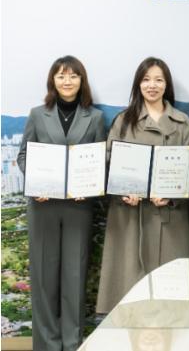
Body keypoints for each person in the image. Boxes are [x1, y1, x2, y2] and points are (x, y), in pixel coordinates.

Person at [17, 56, 106, 351]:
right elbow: (23, 155)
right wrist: (36, 183)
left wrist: (89, 187)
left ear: (82, 81)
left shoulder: (95, 117)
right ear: (52, 81)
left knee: (74, 276)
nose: (67, 81)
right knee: (43, 278)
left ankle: (72, 342)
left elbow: (101, 159)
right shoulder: (37, 114)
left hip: (79, 206)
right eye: (61, 76)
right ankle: (46, 344)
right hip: (43, 205)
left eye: (73, 76)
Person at [96, 57, 189, 313]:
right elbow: (107, 163)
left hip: (169, 216)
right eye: (146, 79)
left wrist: (172, 195)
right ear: (138, 84)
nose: (152, 85)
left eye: (159, 80)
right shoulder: (123, 120)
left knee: (169, 296)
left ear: (166, 85)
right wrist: (122, 191)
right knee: (130, 296)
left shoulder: (182, 122)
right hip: (129, 217)